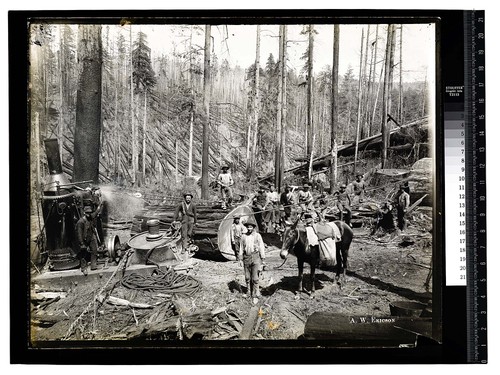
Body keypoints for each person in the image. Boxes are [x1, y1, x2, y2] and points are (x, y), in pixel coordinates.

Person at [238, 219, 266, 302]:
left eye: (251, 227)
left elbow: (261, 247)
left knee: (255, 278)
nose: (249, 229)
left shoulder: (257, 236)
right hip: (246, 257)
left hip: (255, 257)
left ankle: (256, 293)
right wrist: (240, 259)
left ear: (253, 227)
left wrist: (263, 259)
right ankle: (248, 291)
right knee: (247, 277)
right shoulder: (243, 236)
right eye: (248, 227)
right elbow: (241, 248)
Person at [76, 205, 100, 275]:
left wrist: (98, 208)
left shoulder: (90, 217)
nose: (89, 214)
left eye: (89, 213)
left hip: (91, 237)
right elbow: (79, 234)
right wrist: (82, 243)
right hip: (84, 239)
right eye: (87, 213)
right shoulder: (80, 222)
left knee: (94, 250)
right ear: (84, 213)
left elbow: (95, 214)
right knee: (83, 254)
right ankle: (83, 268)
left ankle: (93, 265)